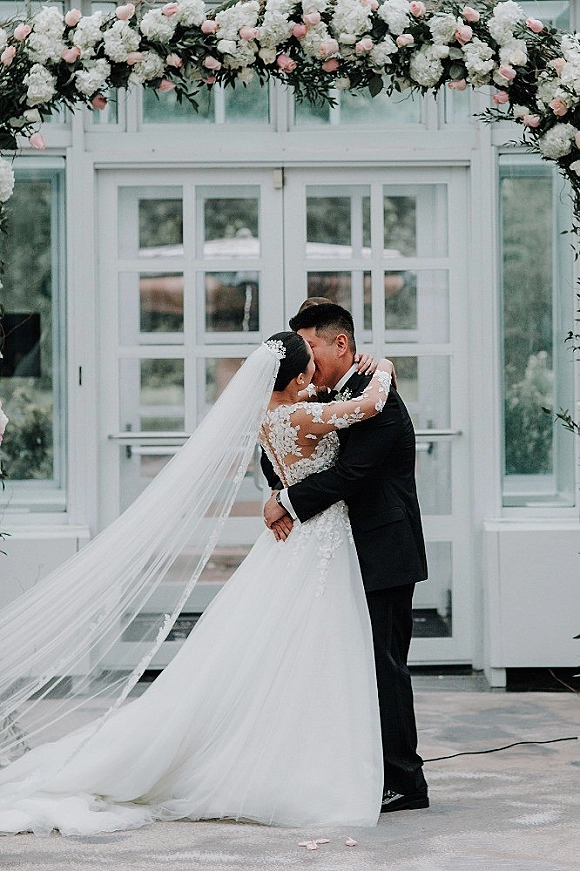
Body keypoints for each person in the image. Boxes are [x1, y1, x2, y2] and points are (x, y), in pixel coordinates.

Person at [0, 332, 395, 836]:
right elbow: (370, 406)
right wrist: (384, 367)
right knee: (318, 648)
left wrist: (280, 497)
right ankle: (305, 768)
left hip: (298, 538)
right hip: (319, 540)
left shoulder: (270, 415)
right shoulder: (300, 416)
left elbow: (289, 463)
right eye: (309, 366)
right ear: (298, 376)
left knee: (288, 647)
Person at [263, 303, 429, 813]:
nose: (306, 360)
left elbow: (354, 473)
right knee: (347, 665)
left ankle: (405, 781)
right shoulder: (325, 395)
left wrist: (288, 501)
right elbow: (276, 449)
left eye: (311, 346)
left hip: (384, 549)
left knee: (385, 667)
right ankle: (362, 769)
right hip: (339, 552)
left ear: (340, 343)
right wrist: (280, 488)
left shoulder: (380, 396)